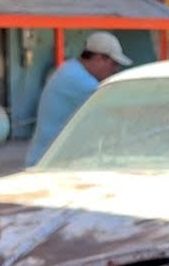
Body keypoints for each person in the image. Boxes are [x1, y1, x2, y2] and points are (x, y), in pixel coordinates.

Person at [25, 30, 132, 166]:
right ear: (99, 58)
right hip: (49, 164)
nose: (115, 69)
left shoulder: (71, 69)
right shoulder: (78, 80)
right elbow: (118, 107)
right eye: (114, 63)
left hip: (54, 161)